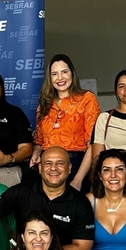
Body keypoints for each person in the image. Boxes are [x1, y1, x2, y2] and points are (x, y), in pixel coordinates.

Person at [32, 54, 99, 191]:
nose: (60, 78)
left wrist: (78, 179)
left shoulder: (87, 99)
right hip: (48, 167)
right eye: (54, 74)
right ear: (50, 78)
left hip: (76, 164)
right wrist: (35, 154)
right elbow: (39, 142)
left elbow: (92, 143)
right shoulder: (44, 104)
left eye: (64, 72)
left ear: (72, 74)